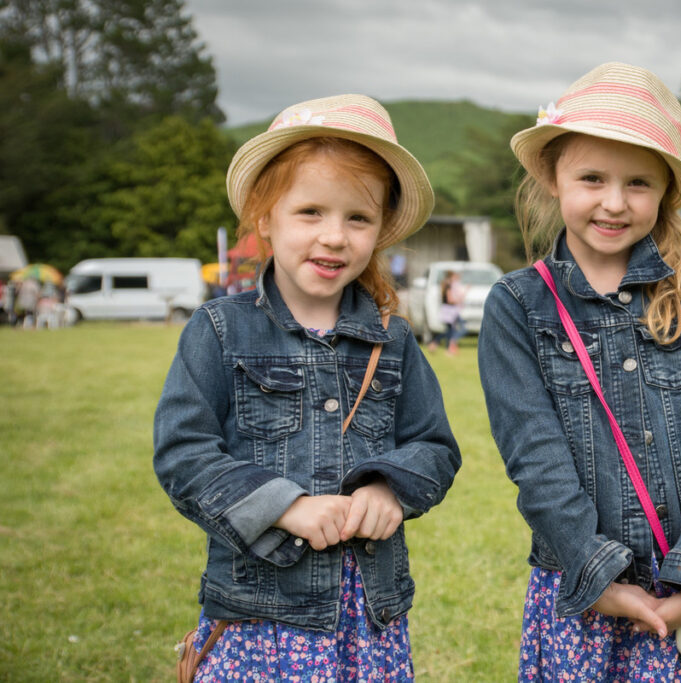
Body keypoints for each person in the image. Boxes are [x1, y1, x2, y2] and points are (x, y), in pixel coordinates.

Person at [153, 94, 461, 682]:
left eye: (358, 218)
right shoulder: (217, 331)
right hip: (257, 616)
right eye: (311, 212)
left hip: (368, 616)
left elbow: (435, 447)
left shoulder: (392, 341)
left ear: (379, 232)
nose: (335, 236)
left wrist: (389, 491)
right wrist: (284, 505)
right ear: (266, 218)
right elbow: (183, 455)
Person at [477, 63, 681, 681]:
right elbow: (534, 457)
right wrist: (593, 573)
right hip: (579, 590)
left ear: (666, 193)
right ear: (552, 177)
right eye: (592, 178)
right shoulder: (517, 306)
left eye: (639, 183)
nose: (614, 202)